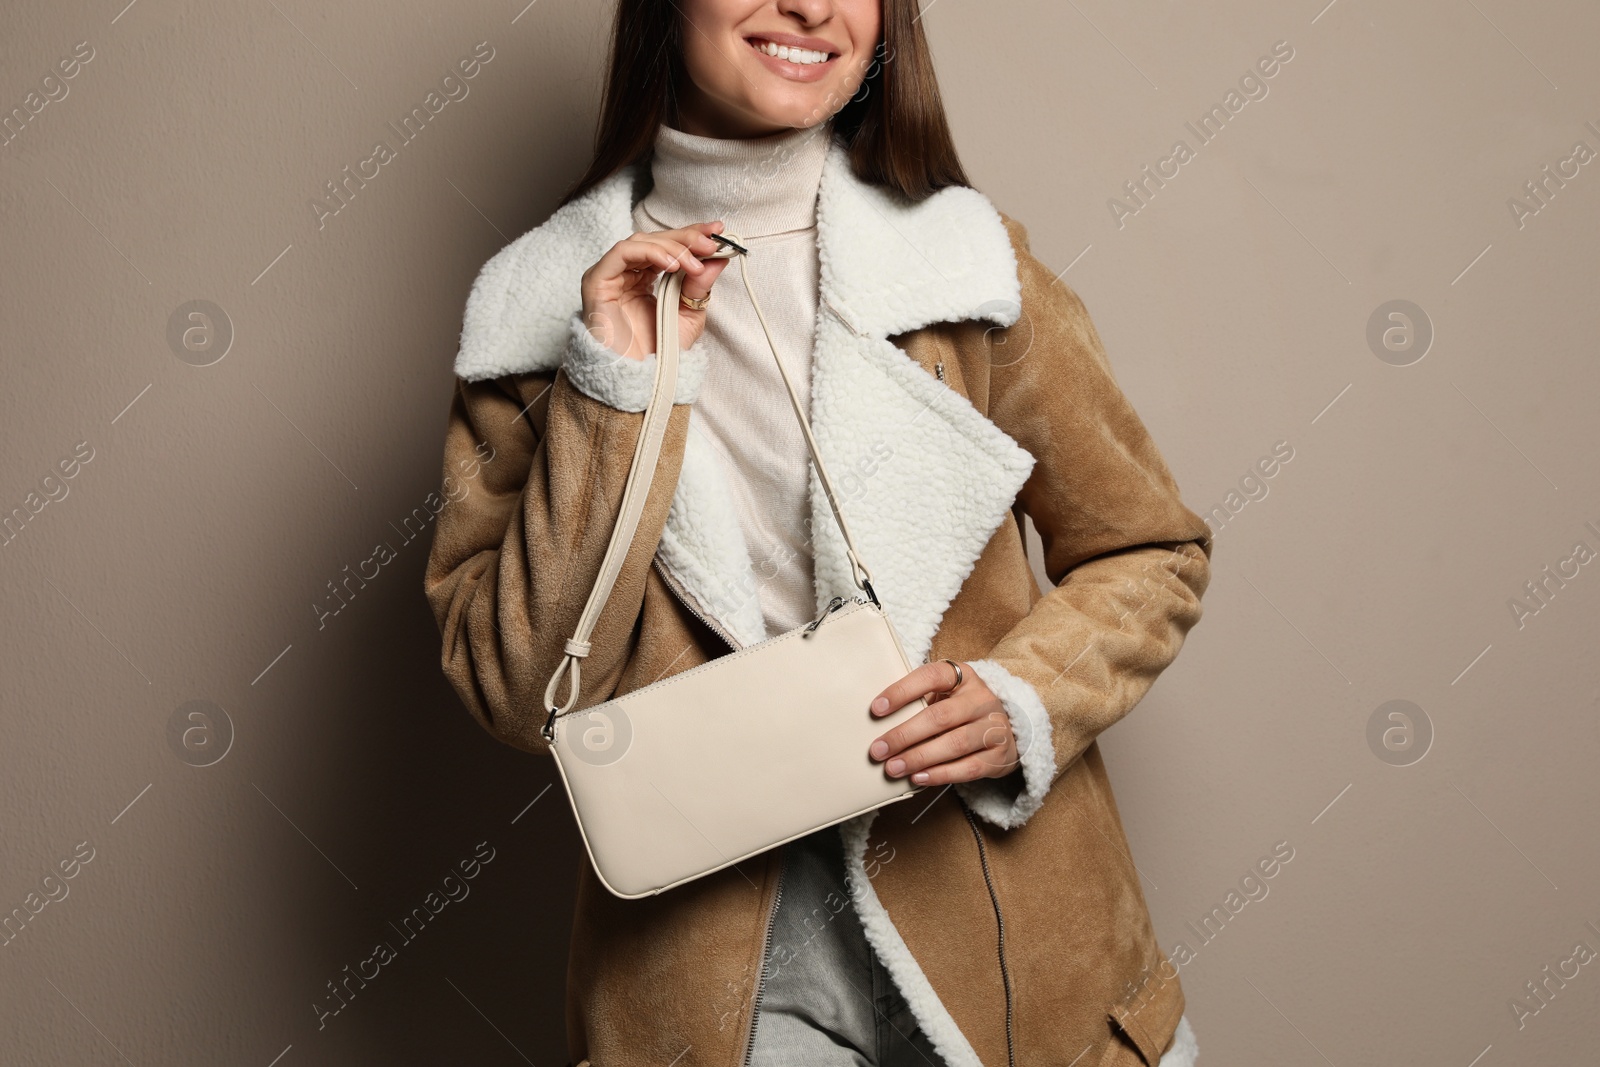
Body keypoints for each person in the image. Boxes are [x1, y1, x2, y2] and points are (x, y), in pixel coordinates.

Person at [424, 1, 1213, 1064]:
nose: (808, 4)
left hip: (1013, 934)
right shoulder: (534, 317)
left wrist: (1025, 697)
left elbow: (1147, 548)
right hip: (702, 972)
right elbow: (519, 694)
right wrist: (611, 380)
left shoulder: (967, 269)